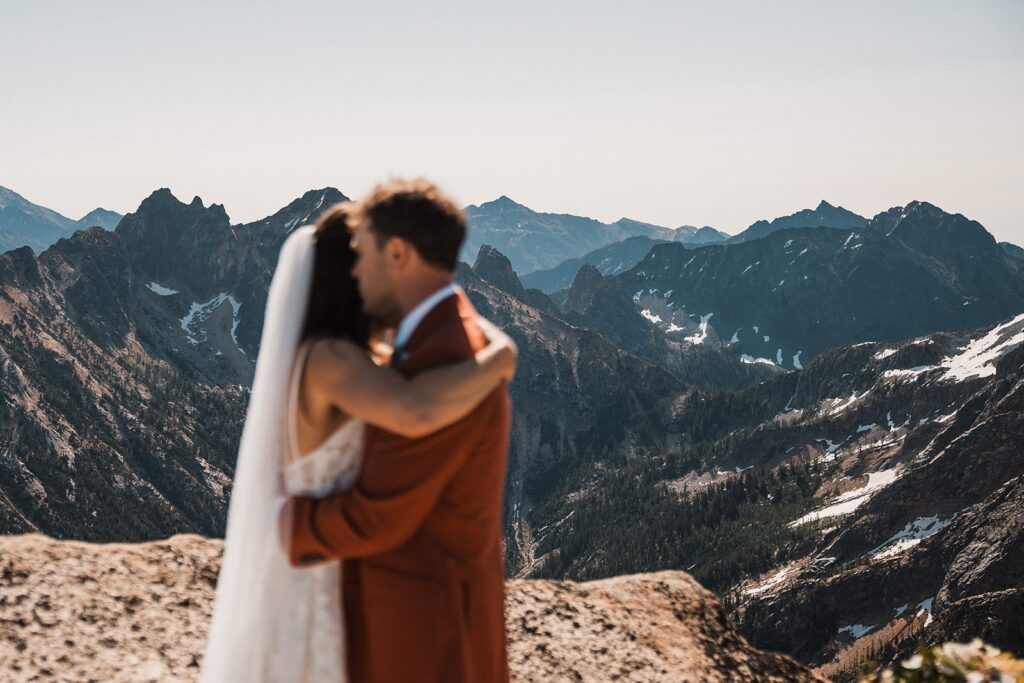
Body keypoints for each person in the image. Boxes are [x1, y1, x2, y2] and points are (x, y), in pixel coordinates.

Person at [200, 196, 516, 682]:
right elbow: (416, 408)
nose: (374, 273)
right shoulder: (333, 361)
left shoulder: (339, 357)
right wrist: (497, 358)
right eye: (365, 260)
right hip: (321, 571)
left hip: (330, 563)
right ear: (347, 280)